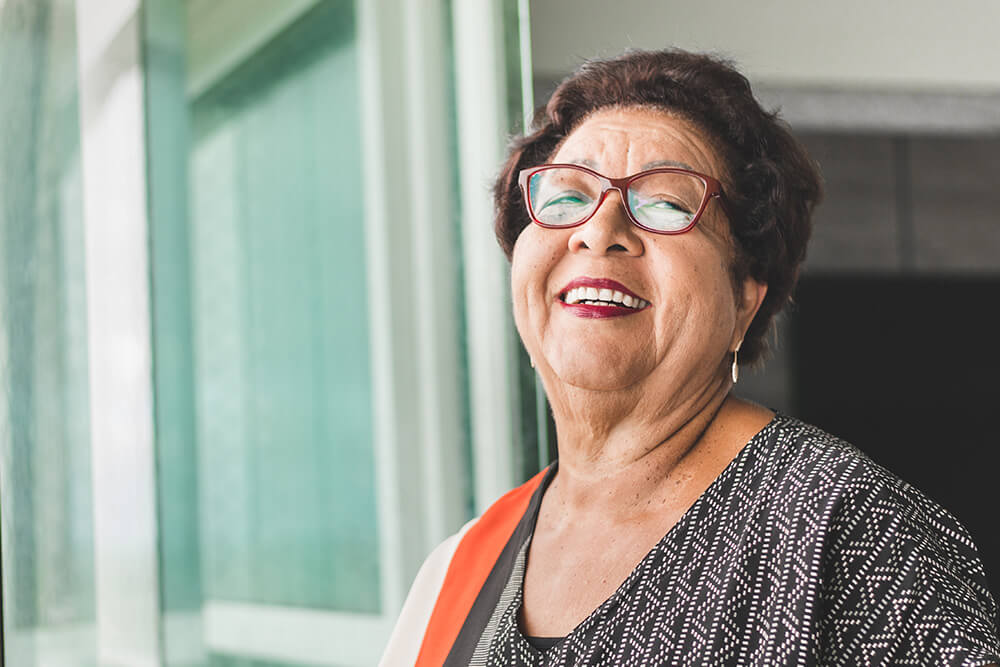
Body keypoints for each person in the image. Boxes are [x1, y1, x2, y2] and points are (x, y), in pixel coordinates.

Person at [379, 49, 1000, 666]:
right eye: (567, 196)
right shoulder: (459, 568)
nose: (599, 229)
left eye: (667, 204)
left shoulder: (847, 529)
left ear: (744, 301)